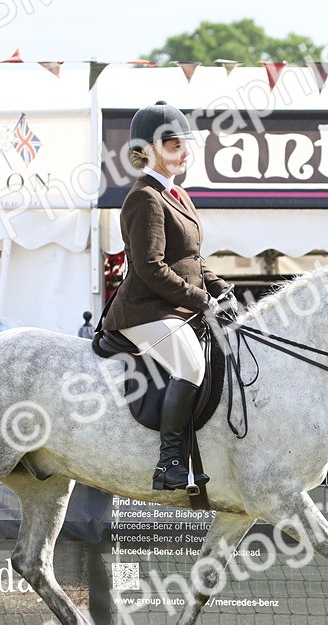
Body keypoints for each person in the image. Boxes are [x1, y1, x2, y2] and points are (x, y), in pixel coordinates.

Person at [101, 100, 231, 491]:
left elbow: (190, 258)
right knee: (191, 365)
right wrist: (201, 300)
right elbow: (151, 268)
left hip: (177, 306)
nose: (185, 152)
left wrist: (220, 287)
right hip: (146, 309)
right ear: (151, 151)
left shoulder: (178, 195)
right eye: (175, 145)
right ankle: (169, 461)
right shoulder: (144, 198)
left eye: (184, 144)